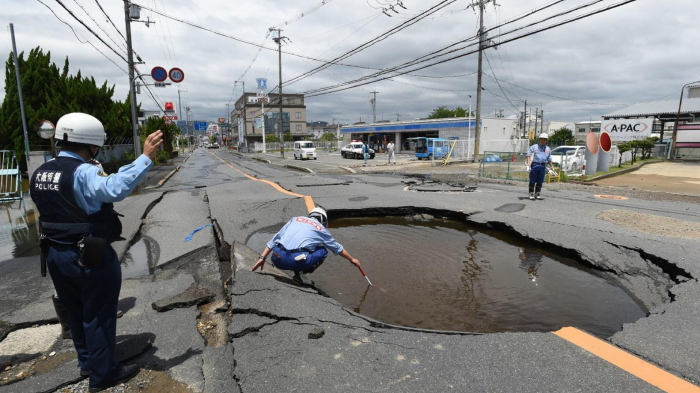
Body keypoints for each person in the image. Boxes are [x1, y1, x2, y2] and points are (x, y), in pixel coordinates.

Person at [31, 112, 163, 392]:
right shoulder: (84, 172)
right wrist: (146, 157)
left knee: (76, 312)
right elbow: (115, 187)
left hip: (55, 253)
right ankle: (104, 375)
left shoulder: (42, 172)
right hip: (88, 254)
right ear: (92, 144)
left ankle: (88, 363)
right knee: (98, 314)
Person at [251, 207, 361, 285]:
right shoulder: (320, 228)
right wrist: (351, 259)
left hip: (276, 258)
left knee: (285, 245)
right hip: (294, 260)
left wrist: (262, 258)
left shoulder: (295, 219)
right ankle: (300, 275)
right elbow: (337, 248)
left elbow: (275, 239)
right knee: (323, 250)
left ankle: (286, 267)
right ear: (323, 220)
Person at [526, 133, 556, 200]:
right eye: (541, 139)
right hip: (535, 165)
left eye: (544, 139)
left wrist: (551, 166)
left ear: (546, 140)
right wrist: (528, 163)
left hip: (543, 166)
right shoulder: (534, 147)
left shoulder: (548, 149)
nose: (543, 141)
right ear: (539, 140)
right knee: (532, 180)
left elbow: (549, 158)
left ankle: (538, 194)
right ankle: (531, 194)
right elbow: (528, 154)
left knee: (540, 180)